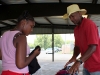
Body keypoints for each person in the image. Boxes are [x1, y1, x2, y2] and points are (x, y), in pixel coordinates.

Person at [63, 4, 100, 75]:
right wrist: (74, 57)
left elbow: (93, 47)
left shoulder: (89, 25)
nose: (71, 19)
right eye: (70, 17)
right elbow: (77, 47)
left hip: (97, 67)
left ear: (79, 13)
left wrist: (78, 62)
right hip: (86, 66)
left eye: (73, 16)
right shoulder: (76, 29)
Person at [0, 10, 40, 75]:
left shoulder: (4, 34)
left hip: (5, 72)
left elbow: (1, 56)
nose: (32, 30)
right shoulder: (21, 37)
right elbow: (20, 65)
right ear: (23, 23)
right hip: (18, 73)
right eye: (31, 26)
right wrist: (34, 54)